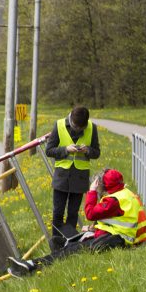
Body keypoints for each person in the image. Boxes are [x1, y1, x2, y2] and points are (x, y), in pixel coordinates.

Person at [8, 168, 146, 275]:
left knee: (71, 250)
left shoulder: (113, 200)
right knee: (62, 244)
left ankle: (32, 266)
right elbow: (117, 219)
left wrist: (91, 192)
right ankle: (43, 263)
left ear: (105, 186)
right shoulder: (127, 193)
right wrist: (93, 228)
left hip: (115, 239)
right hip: (114, 236)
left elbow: (90, 213)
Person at [44, 106, 100, 248]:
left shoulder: (92, 128)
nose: (78, 130)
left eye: (82, 128)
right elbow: (49, 150)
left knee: (73, 213)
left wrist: (88, 150)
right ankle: (56, 244)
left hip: (80, 178)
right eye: (76, 127)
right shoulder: (59, 125)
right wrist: (65, 149)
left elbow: (97, 152)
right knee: (58, 212)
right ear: (71, 120)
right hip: (62, 177)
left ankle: (69, 244)